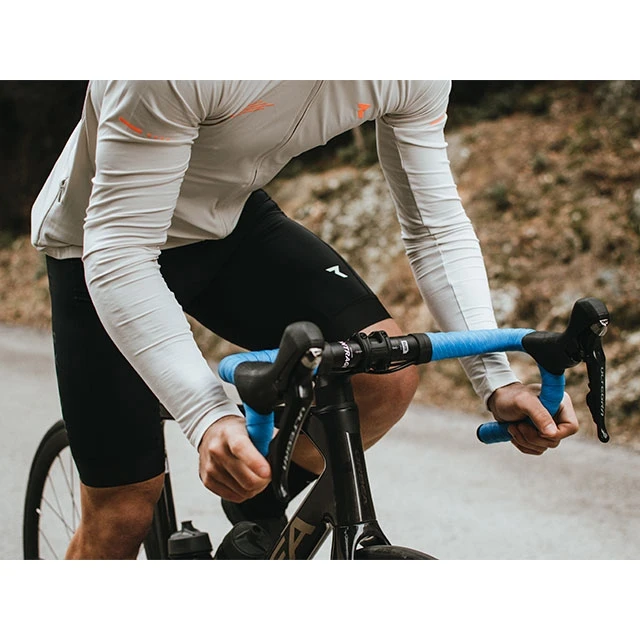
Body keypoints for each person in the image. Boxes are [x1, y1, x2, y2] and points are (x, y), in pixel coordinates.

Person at [31, 81, 579, 559]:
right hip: (101, 242)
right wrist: (208, 416)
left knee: (383, 373)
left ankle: (256, 503)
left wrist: (497, 379)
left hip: (228, 220)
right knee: (122, 514)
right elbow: (120, 251)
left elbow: (437, 228)